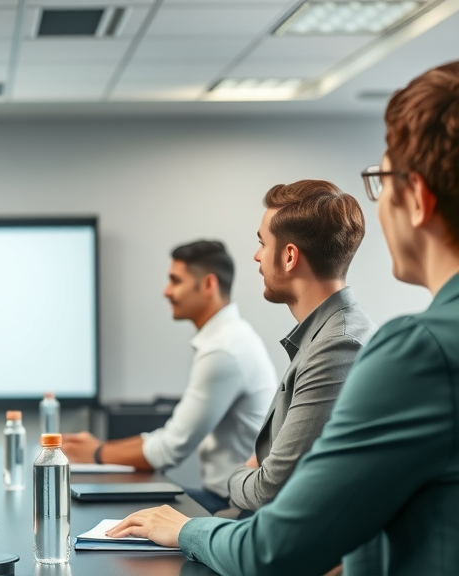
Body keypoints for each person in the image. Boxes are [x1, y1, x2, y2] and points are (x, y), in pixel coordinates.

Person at [109, 61, 459, 576]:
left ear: (417, 200)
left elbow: (274, 544)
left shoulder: (416, 351)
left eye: (380, 183)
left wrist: (184, 527)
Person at [62, 240, 278, 514]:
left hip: (238, 508)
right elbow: (168, 438)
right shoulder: (228, 338)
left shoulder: (223, 350)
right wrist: (101, 448)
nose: (166, 291)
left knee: (121, 515)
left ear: (208, 285)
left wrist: (95, 454)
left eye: (175, 281)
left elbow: (169, 449)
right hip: (228, 497)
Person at [226, 180, 375, 514]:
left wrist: (236, 476)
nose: (257, 256)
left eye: (262, 243)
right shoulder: (324, 334)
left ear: (290, 256)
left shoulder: (339, 346)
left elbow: (270, 490)